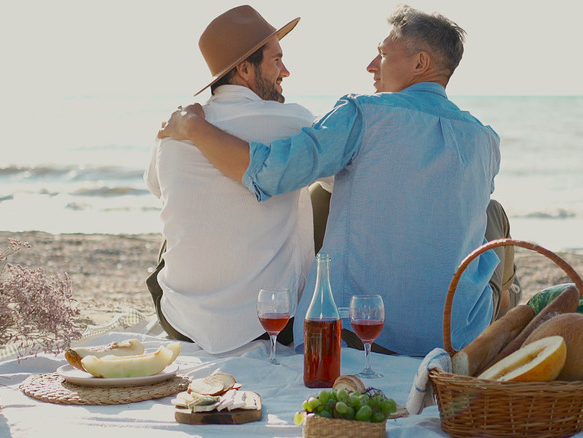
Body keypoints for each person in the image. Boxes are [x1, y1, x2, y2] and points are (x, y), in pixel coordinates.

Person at [159, 5, 521, 356]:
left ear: (419, 63)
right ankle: (508, 299)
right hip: (455, 334)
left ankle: (507, 296)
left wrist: (195, 126)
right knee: (492, 214)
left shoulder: (362, 113)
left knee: (321, 192)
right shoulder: (486, 139)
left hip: (357, 330)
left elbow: (270, 172)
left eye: (382, 54)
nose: (371, 65)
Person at [144, 5, 321, 354]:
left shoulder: (172, 129)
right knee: (325, 190)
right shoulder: (293, 121)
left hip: (179, 320)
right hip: (269, 322)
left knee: (182, 211)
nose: (285, 70)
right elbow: (336, 177)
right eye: (276, 61)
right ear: (244, 69)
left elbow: (156, 187)